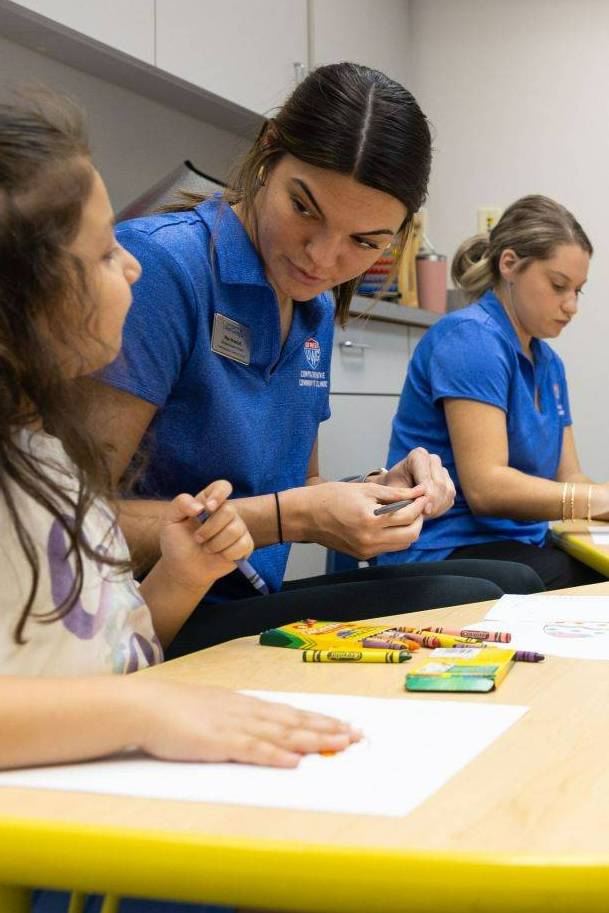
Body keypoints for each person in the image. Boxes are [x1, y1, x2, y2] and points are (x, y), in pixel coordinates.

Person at [0, 94, 364, 913]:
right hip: (58, 837)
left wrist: (181, 573)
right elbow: (115, 688)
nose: (129, 263)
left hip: (113, 784)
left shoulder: (51, 462)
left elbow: (120, 647)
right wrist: (144, 708)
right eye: (100, 255)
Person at [86, 63, 543, 658]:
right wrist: (290, 519)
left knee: (513, 587)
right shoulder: (162, 272)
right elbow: (68, 524)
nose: (321, 259)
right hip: (142, 614)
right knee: (486, 593)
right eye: (304, 209)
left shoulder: (312, 308)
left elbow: (299, 488)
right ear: (267, 152)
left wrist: (377, 495)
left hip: (240, 600)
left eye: (365, 242)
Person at [380, 194, 608, 590]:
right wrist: (598, 500)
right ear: (509, 264)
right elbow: (486, 487)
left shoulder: (548, 363)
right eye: (558, 286)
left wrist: (599, 500)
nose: (571, 306)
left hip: (513, 549)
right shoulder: (471, 340)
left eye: (578, 291)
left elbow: (570, 476)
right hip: (442, 549)